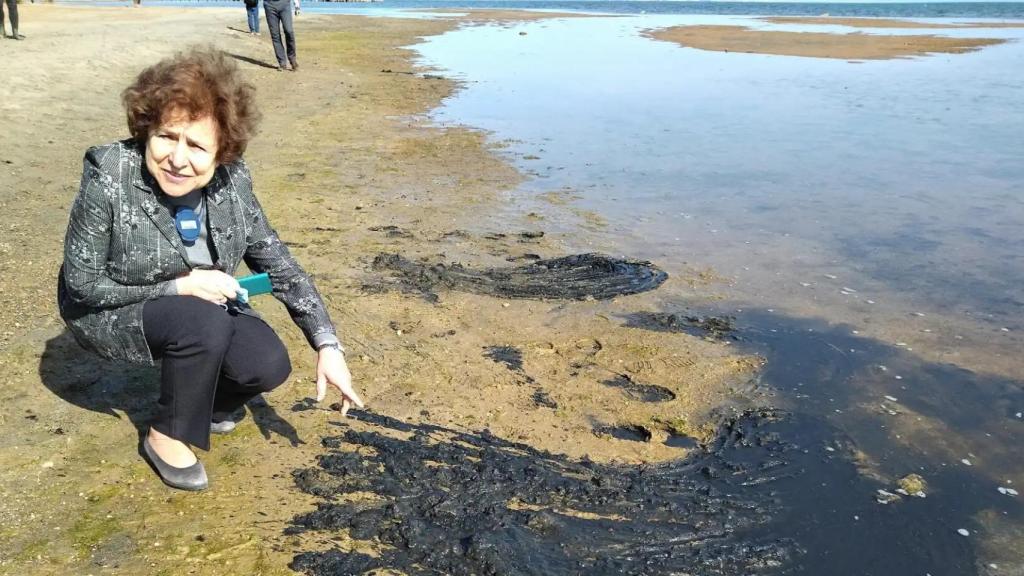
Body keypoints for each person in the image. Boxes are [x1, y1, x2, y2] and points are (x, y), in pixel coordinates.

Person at [57, 48, 363, 491]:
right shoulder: (110, 174)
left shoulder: (233, 183)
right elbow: (82, 284)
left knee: (266, 365)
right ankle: (166, 436)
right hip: (110, 309)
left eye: (197, 145)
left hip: (202, 307)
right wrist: (180, 286)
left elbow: (280, 266)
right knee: (201, 322)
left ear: (223, 153)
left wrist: (327, 343)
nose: (177, 159)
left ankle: (200, 404)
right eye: (166, 137)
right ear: (146, 130)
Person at [264, 0, 297, 71]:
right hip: (269, 5)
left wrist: (296, 4)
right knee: (275, 35)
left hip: (284, 4)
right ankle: (282, 63)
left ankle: (292, 58)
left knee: (289, 31)